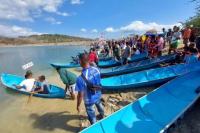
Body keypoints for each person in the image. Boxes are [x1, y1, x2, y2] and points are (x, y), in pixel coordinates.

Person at [76, 53, 104, 125]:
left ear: (80, 62)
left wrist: (78, 105)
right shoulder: (96, 69)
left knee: (91, 115)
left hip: (89, 100)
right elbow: (99, 81)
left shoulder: (80, 78)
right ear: (89, 60)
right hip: (98, 94)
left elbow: (80, 95)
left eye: (79, 60)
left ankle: (94, 126)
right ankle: (102, 115)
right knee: (99, 105)